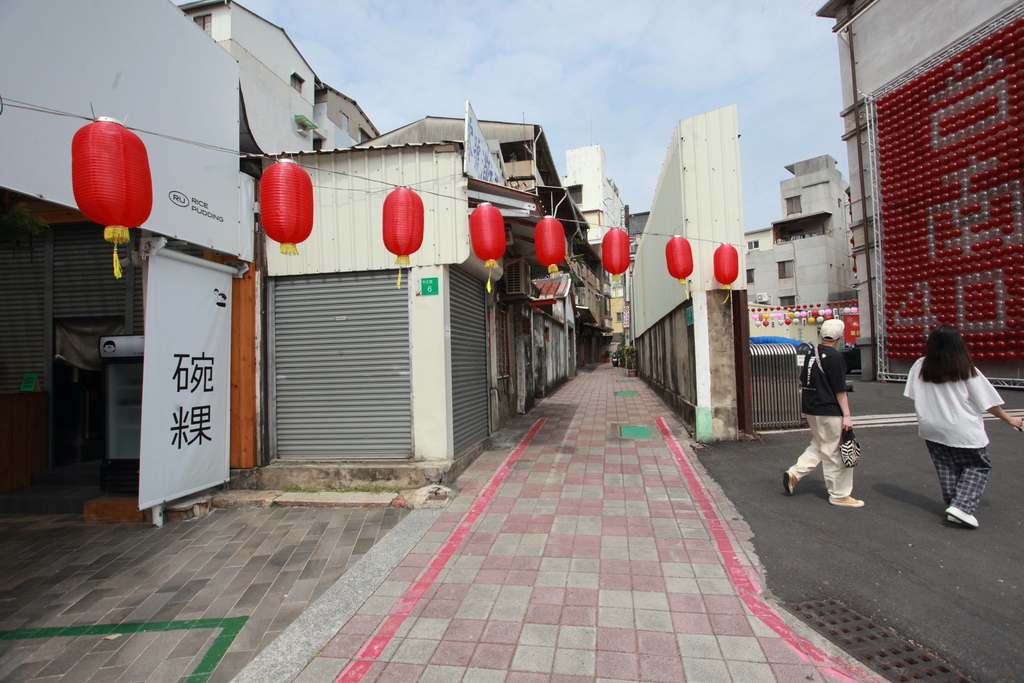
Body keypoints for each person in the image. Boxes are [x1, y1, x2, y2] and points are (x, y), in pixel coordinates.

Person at [903, 324, 1022, 528]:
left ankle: (954, 506)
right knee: (977, 465)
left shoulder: (920, 365)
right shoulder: (965, 368)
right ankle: (962, 507)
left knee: (946, 467)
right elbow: (988, 402)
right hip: (961, 428)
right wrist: (1010, 419)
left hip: (931, 426)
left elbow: (912, 393)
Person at [783, 318, 863, 507]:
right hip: (829, 409)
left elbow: (804, 379)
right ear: (839, 336)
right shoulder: (835, 357)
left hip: (811, 408)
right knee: (835, 452)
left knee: (819, 443)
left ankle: (795, 473)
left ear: (821, 334)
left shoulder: (812, 352)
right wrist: (847, 416)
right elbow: (839, 389)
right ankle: (839, 494)